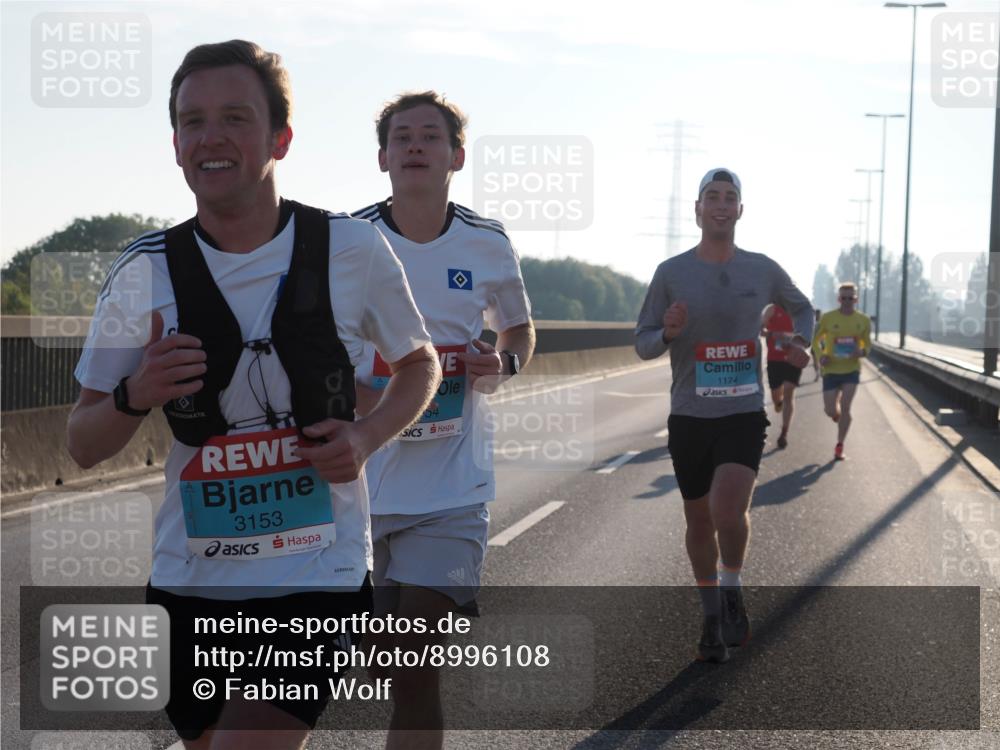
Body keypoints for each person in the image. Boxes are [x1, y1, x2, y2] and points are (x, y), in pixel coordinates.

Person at [67, 41, 439, 750]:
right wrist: (136, 392)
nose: (210, 137)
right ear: (176, 145)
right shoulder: (143, 272)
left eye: (235, 118)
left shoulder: (351, 249)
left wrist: (366, 437)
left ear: (280, 139)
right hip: (189, 580)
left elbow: (418, 365)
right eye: (193, 121)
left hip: (315, 574)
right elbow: (82, 444)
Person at [351, 91, 535, 750]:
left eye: (430, 136)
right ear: (383, 157)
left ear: (457, 155)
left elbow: (518, 329)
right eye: (401, 137)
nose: (415, 146)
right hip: (362, 489)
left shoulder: (487, 242)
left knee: (413, 657)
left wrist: (502, 363)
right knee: (385, 662)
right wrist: (356, 394)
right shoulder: (349, 241)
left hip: (454, 489)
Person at [635, 168, 813, 664]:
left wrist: (801, 342)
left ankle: (731, 585)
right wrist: (668, 333)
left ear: (740, 210)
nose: (720, 204)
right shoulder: (670, 273)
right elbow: (643, 342)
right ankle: (711, 614)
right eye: (711, 196)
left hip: (742, 411)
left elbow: (804, 309)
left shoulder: (763, 269)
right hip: (690, 416)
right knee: (698, 520)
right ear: (697, 209)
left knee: (727, 512)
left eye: (729, 197)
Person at [812, 282, 872, 461]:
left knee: (846, 407)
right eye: (843, 298)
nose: (846, 301)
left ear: (856, 299)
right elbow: (815, 341)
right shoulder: (828, 318)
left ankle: (840, 445)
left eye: (850, 298)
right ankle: (835, 411)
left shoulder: (863, 320)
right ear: (839, 299)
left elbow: (868, 345)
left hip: (851, 370)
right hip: (831, 369)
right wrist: (821, 355)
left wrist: (862, 352)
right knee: (830, 411)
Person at [761, 303, 805, 449]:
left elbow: (807, 333)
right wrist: (771, 334)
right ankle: (777, 403)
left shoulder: (800, 309)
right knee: (776, 395)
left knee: (789, 391)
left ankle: (784, 433)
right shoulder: (772, 309)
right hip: (775, 360)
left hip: (793, 357)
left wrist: (794, 339)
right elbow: (760, 330)